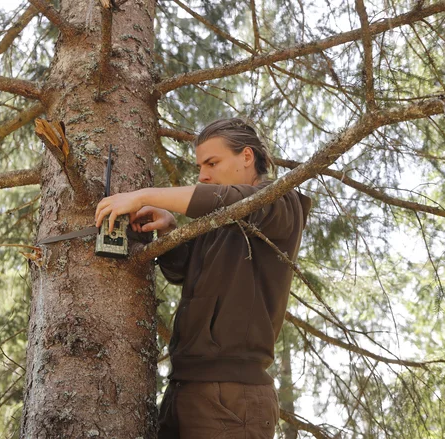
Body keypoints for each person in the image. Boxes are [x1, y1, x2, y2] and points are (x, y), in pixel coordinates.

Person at [95, 118, 312, 439]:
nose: (203, 174)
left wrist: (142, 196)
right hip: (184, 390)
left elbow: (235, 202)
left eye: (213, 162)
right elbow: (182, 270)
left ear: (247, 157)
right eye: (200, 166)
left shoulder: (280, 201)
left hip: (232, 398)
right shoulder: (219, 224)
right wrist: (169, 229)